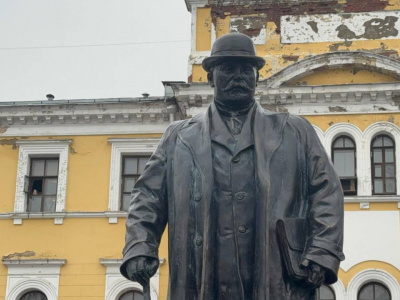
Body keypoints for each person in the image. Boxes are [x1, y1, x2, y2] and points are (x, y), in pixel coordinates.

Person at [120, 32, 344, 300]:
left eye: (246, 70)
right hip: (201, 271)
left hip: (276, 270)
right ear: (210, 77)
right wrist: (140, 245)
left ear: (257, 77)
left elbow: (326, 191)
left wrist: (322, 250)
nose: (238, 76)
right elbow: (148, 196)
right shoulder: (179, 136)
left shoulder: (294, 131)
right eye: (227, 69)